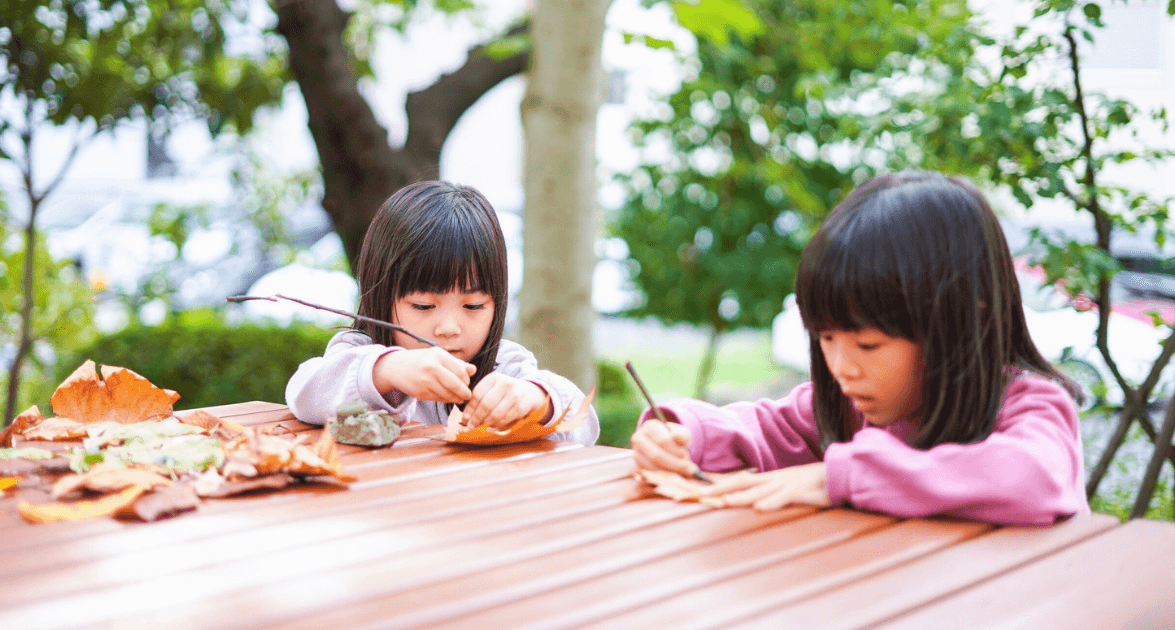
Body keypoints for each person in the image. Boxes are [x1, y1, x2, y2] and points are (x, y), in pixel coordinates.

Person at [630, 171, 1089, 525]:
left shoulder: (1029, 406)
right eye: (826, 338)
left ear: (968, 319)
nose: (841, 368)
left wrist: (839, 478)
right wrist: (684, 434)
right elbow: (764, 427)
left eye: (868, 344)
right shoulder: (852, 408)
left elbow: (1033, 478)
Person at [286, 180, 599, 446]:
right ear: (381, 296)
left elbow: (584, 428)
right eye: (423, 306)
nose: (449, 328)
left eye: (473, 306)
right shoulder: (359, 354)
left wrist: (536, 399)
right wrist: (387, 370)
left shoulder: (503, 366)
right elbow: (303, 394)